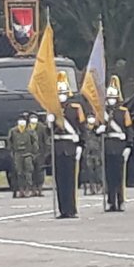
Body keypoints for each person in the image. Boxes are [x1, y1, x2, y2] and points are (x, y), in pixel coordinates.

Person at [51, 72, 85, 219]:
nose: (61, 96)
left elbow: (82, 128)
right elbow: (49, 132)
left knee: (71, 180)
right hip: (58, 147)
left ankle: (72, 209)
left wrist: (80, 145)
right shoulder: (53, 109)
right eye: (59, 93)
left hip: (71, 146)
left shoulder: (75, 108)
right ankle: (62, 209)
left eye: (63, 93)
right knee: (59, 180)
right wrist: (49, 122)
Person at [96, 77, 133, 212]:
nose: (111, 99)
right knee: (109, 176)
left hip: (120, 145)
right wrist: (98, 130)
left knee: (119, 176)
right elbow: (96, 128)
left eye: (113, 96)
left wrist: (129, 146)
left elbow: (129, 130)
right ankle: (111, 201)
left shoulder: (123, 112)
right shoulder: (103, 112)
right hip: (108, 145)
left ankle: (120, 200)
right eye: (109, 97)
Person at [9, 114, 39, 198]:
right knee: (19, 173)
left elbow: (35, 142)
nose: (22, 122)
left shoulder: (30, 131)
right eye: (20, 120)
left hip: (28, 154)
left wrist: (34, 153)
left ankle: (28, 189)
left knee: (28, 172)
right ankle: (21, 190)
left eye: (23, 120)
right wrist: (12, 153)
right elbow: (10, 142)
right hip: (18, 154)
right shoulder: (13, 131)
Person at [80, 113, 103, 196]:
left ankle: (99, 186)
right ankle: (90, 188)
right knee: (88, 171)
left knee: (98, 170)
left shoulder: (98, 130)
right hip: (87, 152)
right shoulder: (84, 130)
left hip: (97, 152)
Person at [30, 113, 50, 197]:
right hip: (30, 153)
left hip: (40, 153)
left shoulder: (42, 127)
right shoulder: (27, 128)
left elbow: (46, 140)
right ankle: (33, 189)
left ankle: (40, 189)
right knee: (31, 172)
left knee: (40, 172)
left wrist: (46, 152)